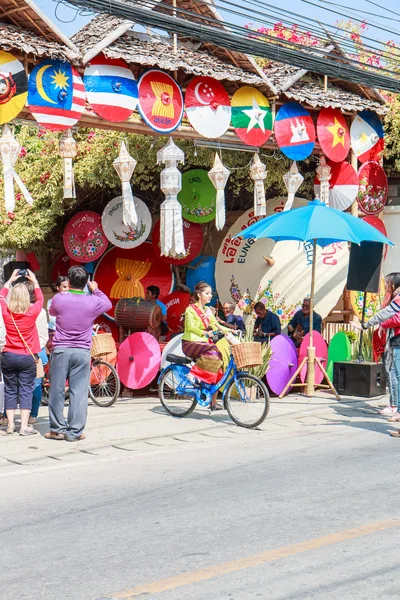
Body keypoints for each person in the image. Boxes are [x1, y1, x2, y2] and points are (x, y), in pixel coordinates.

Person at [45, 266, 112, 442]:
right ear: (85, 282)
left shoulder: (59, 299)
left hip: (61, 350)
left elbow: (52, 313)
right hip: (82, 351)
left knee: (57, 390)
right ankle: (74, 431)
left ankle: (57, 429)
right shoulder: (92, 301)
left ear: (69, 280)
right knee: (79, 392)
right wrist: (95, 289)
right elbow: (108, 303)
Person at [0, 269, 43, 436]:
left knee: (10, 389)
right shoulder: (32, 313)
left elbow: (1, 296)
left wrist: (10, 280)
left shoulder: (6, 313)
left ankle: (10, 425)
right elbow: (40, 298)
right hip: (27, 356)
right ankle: (24, 427)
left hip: (8, 355)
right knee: (25, 389)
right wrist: (35, 281)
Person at [182, 281, 230, 411]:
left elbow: (216, 325)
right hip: (190, 343)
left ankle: (213, 403)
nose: (210, 296)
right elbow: (190, 327)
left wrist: (232, 331)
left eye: (210, 293)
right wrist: (205, 332)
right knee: (214, 349)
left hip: (203, 343)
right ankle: (193, 374)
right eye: (207, 293)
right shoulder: (190, 309)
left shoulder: (208, 310)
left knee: (218, 366)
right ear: (199, 295)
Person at [361, 272, 400, 417]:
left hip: (396, 341)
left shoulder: (398, 298)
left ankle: (395, 406)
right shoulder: (392, 298)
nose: (385, 286)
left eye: (387, 283)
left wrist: (367, 325)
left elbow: (390, 316)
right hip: (390, 340)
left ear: (395, 284)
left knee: (394, 374)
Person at [23, 280, 49, 425]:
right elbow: (44, 333)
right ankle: (33, 414)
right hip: (39, 351)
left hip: (23, 350)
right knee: (36, 384)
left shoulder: (21, 310)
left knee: (17, 385)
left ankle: (9, 415)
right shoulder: (42, 310)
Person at [47, 275, 69, 352]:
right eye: (64, 287)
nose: (67, 289)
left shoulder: (72, 301)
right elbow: (52, 319)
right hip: (55, 331)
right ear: (57, 288)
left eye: (68, 287)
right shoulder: (51, 301)